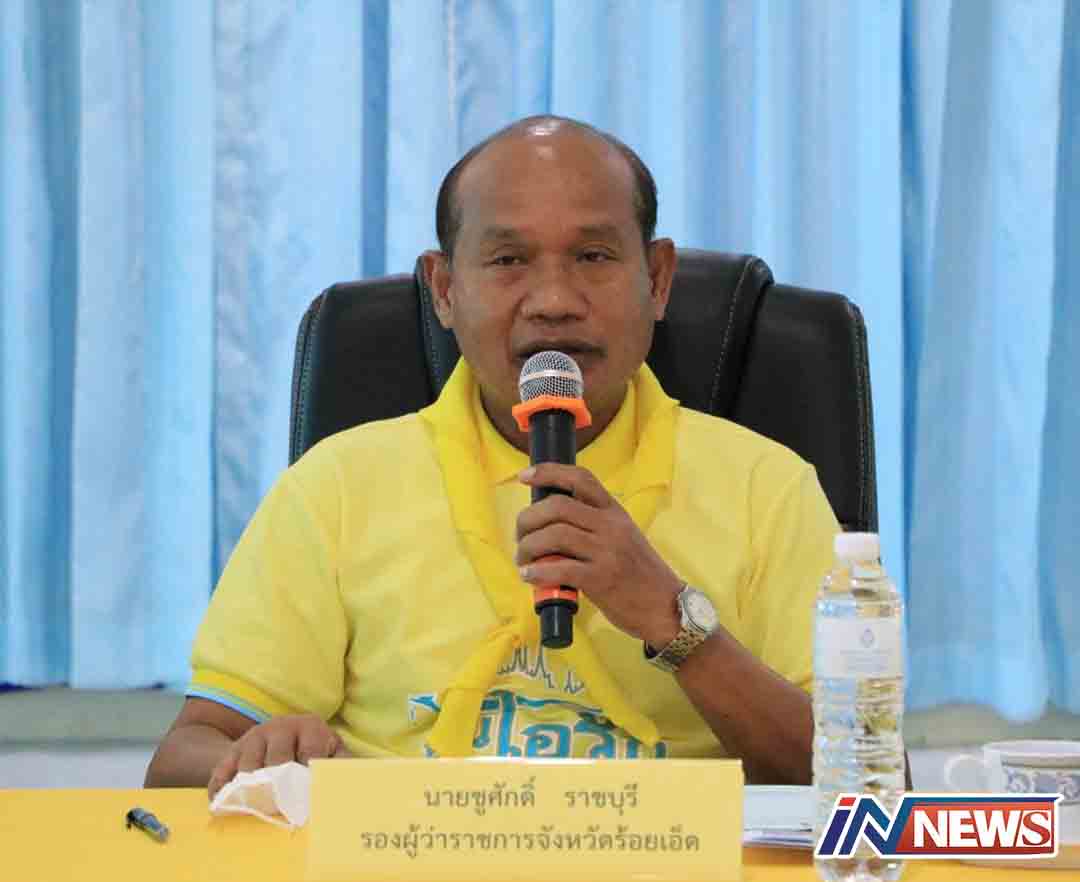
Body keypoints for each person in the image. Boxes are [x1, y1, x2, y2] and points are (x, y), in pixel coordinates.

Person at [145, 115, 840, 797]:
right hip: (407, 849)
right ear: (445, 290)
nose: (554, 302)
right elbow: (183, 756)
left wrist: (673, 621)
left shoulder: (767, 487)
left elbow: (862, 779)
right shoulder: (338, 486)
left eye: (593, 257)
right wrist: (264, 756)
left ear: (657, 280)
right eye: (508, 261)